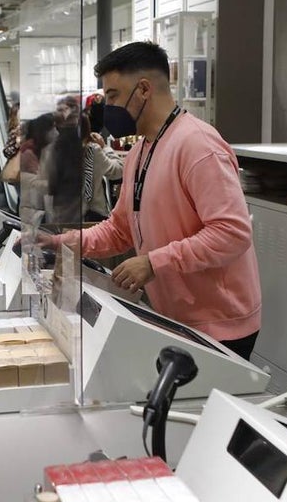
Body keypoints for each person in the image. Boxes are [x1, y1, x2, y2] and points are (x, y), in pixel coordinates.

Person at [50, 42, 261, 358]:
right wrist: (70, 242)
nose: (108, 108)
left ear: (144, 89)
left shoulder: (198, 146)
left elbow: (232, 233)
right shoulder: (140, 151)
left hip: (218, 325)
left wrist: (153, 263)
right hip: (176, 318)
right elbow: (120, 229)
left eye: (113, 96)